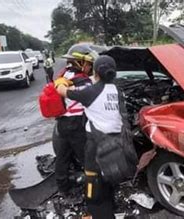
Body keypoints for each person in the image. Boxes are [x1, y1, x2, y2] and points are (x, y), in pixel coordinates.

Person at [55, 55, 121, 219]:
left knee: (89, 176)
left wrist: (59, 82)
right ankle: (109, 203)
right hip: (111, 139)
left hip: (86, 136)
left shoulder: (87, 89)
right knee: (103, 173)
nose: (89, 69)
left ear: (97, 71)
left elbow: (62, 91)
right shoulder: (117, 90)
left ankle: (97, 210)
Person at [52, 44, 97, 196]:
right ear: (80, 62)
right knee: (86, 157)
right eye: (88, 64)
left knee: (62, 156)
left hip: (62, 122)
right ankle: (94, 189)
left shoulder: (64, 76)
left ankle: (63, 188)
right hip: (76, 123)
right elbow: (90, 99)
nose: (90, 67)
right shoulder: (82, 81)